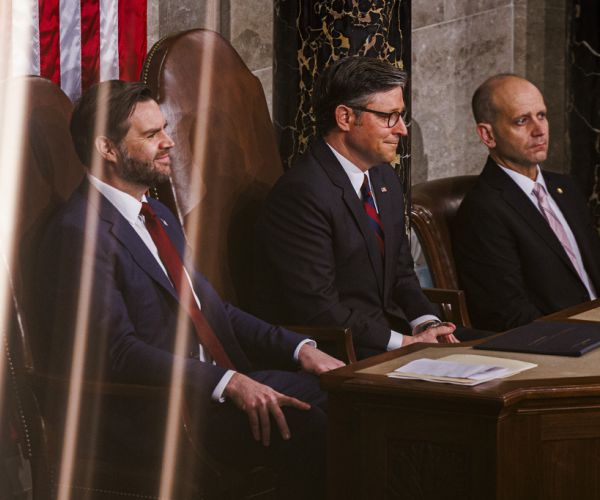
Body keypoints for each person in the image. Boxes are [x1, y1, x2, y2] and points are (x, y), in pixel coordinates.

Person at [32, 80, 343, 499]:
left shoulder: (157, 213)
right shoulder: (79, 232)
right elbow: (117, 352)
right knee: (309, 428)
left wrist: (300, 349)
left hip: (212, 385)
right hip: (158, 411)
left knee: (351, 400)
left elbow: (214, 311)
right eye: (151, 134)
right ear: (107, 149)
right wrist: (226, 383)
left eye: (164, 128)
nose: (169, 142)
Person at [254, 56, 463, 361]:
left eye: (401, 115)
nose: (402, 129)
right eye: (389, 117)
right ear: (345, 118)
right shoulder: (302, 193)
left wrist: (428, 323)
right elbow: (320, 308)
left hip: (397, 337)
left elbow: (402, 273)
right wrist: (405, 343)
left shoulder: (383, 176)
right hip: (345, 354)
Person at [453, 74, 600, 332]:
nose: (539, 130)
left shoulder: (565, 187)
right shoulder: (483, 211)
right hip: (563, 344)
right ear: (488, 135)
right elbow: (508, 314)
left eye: (541, 115)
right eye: (521, 121)